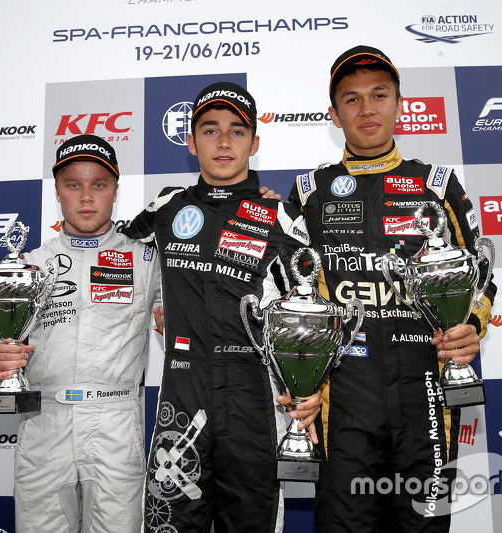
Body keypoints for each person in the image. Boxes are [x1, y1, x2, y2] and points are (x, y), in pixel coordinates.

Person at [288, 45, 497, 532]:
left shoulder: (438, 186)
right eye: (352, 99)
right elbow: (286, 291)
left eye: (379, 95)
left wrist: (472, 324)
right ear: (334, 114)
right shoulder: (309, 193)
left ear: (400, 104)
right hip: (343, 395)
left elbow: (482, 273)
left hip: (424, 387)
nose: (367, 109)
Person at [122, 82, 319, 533]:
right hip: (183, 387)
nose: (224, 142)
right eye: (210, 130)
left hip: (253, 395)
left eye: (237, 130)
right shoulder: (168, 206)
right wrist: (158, 301)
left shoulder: (281, 218)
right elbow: (115, 250)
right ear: (190, 143)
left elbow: (308, 309)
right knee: (168, 523)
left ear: (255, 142)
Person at [0, 134, 161, 533]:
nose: (86, 197)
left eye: (98, 184)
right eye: (73, 185)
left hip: (116, 424)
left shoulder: (147, 259)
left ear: (116, 191)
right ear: (57, 192)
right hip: (44, 422)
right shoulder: (28, 265)